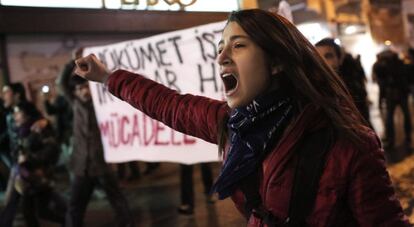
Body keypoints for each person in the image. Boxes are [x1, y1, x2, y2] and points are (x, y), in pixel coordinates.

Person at [74, 9, 409, 226]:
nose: (221, 57)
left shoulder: (349, 144)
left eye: (238, 46)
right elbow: (169, 104)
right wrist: (108, 78)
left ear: (277, 61)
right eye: (220, 47)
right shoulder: (232, 124)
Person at [60, 49, 135, 227]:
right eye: (79, 89)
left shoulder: (102, 106)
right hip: (81, 165)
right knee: (75, 206)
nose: (82, 91)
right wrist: (72, 62)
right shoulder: (75, 104)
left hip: (101, 163)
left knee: (117, 201)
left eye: (85, 87)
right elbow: (61, 84)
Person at [12, 102, 66, 227]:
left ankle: (69, 221)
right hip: (27, 177)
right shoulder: (21, 130)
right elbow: (19, 150)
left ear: (27, 114)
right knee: (29, 212)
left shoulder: (39, 129)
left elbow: (51, 150)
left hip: (40, 176)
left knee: (42, 211)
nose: (15, 116)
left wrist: (29, 158)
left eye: (18, 112)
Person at [315, 38, 372, 128]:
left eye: (328, 56)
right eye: (318, 57)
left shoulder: (351, 88)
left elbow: (363, 121)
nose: (322, 62)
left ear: (339, 59)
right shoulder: (313, 89)